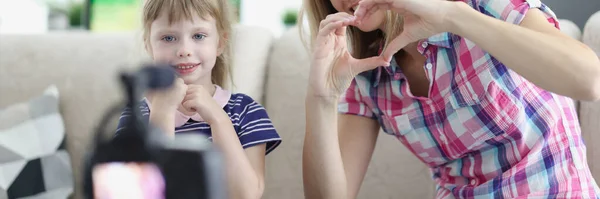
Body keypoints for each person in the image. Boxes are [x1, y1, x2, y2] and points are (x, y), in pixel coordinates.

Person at [300, 0, 600, 198]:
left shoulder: (480, 6)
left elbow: (589, 81)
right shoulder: (366, 74)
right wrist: (321, 97)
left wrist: (451, 16)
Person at [114, 0, 282, 198]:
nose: (184, 49)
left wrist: (218, 119)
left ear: (220, 42)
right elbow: (141, 193)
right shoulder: (136, 116)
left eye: (198, 36)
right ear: (149, 45)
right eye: (168, 38)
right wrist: (162, 112)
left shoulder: (246, 111)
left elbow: (246, 194)